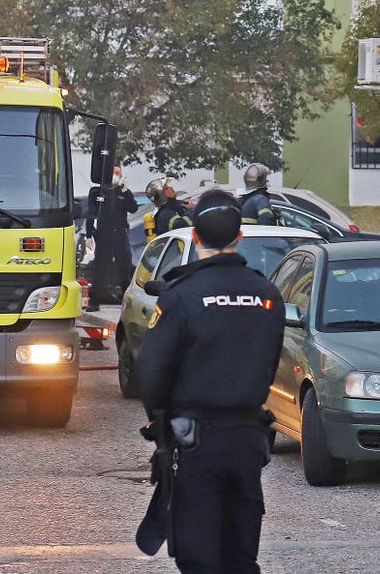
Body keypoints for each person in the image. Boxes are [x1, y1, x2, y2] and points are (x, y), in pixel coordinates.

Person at [135, 189, 285, 573]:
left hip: (196, 439)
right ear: (238, 236)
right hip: (249, 436)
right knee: (240, 551)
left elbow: (152, 371)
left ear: (196, 237)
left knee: (198, 553)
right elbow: (269, 362)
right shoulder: (267, 294)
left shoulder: (182, 295)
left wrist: (158, 417)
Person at [86, 166, 137, 310]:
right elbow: (91, 213)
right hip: (104, 234)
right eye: (114, 173)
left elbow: (133, 208)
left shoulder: (123, 192)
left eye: (119, 173)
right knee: (101, 267)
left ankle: (126, 300)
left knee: (124, 266)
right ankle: (94, 301)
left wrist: (126, 193)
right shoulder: (98, 191)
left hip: (120, 234)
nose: (117, 176)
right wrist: (89, 235)